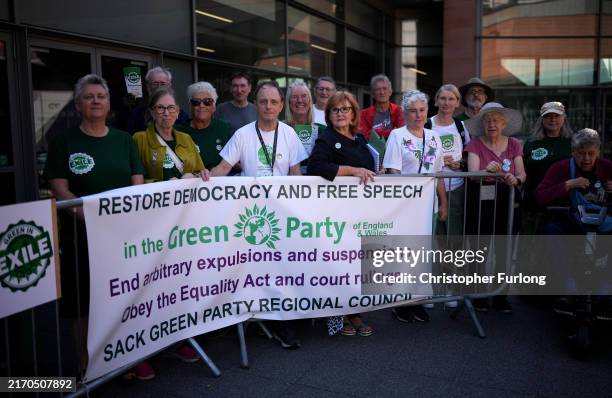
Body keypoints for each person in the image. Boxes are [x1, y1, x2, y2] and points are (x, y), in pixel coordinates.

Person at [44, 74, 145, 377]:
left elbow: (137, 184)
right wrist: (89, 218)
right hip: (80, 235)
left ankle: (119, 359)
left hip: (120, 237)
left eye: (101, 96)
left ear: (109, 103)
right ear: (77, 105)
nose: (96, 101)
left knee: (120, 298)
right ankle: (86, 365)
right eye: (89, 97)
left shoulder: (123, 140)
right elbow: (59, 188)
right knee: (83, 304)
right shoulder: (63, 141)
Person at [209, 81, 307, 348]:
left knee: (282, 268)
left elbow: (296, 175)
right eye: (263, 101)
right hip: (252, 216)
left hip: (283, 214)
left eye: (274, 102)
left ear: (281, 105)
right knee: (255, 268)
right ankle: (252, 315)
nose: (268, 107)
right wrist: (202, 179)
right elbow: (223, 167)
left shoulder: (289, 134)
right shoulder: (242, 134)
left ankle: (281, 321)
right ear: (256, 103)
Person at [307, 91, 376, 336]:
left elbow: (369, 166)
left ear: (354, 113)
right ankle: (340, 315)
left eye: (345, 109)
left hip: (359, 211)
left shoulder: (359, 138)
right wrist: (352, 170)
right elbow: (316, 166)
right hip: (335, 212)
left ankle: (355, 312)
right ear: (328, 114)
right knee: (338, 263)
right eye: (335, 109)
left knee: (356, 264)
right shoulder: (326, 138)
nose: (340, 113)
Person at [383, 89, 448, 323]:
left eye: (422, 110)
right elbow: (393, 171)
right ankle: (400, 303)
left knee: (422, 254)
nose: (418, 115)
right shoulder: (397, 136)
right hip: (406, 208)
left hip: (428, 207)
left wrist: (443, 202)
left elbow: (438, 173)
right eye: (413, 111)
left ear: (427, 111)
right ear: (404, 113)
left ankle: (417, 299)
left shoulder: (434, 137)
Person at [464, 102, 526, 313]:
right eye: (487, 120)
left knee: (504, 249)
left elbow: (522, 174)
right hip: (481, 199)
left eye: (496, 120)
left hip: (508, 200)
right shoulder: (474, 144)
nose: (492, 124)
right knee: (480, 249)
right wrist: (485, 171)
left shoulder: (514, 144)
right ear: (482, 123)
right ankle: (478, 296)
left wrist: (514, 179)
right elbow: (472, 174)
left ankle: (501, 297)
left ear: (503, 123)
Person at [133, 88, 205, 182]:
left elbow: (200, 171)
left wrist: (194, 176)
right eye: (160, 108)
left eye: (171, 107)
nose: (166, 113)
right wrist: (165, 185)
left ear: (177, 112)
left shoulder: (186, 138)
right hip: (158, 196)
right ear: (152, 112)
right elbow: (134, 180)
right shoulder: (139, 139)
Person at [427, 84, 470, 237]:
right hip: (430, 188)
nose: (447, 103)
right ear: (436, 101)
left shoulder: (461, 126)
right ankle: (436, 262)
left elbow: (467, 154)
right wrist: (437, 161)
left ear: (457, 102)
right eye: (443, 98)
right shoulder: (427, 125)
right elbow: (417, 156)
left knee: (455, 235)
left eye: (451, 99)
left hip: (456, 186)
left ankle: (452, 262)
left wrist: (461, 164)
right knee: (435, 235)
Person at [522, 102, 573, 233]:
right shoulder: (531, 143)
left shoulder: (573, 142)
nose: (553, 119)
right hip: (534, 203)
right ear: (541, 120)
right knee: (531, 245)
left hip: (565, 203)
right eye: (548, 116)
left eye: (556, 116)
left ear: (564, 118)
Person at [175, 81, 233, 169]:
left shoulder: (223, 128)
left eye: (207, 102)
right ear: (190, 105)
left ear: (214, 106)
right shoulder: (178, 132)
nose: (201, 105)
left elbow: (233, 160)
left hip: (218, 180)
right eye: (196, 102)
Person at [127, 66, 189, 133]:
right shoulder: (136, 114)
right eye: (155, 83)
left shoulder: (181, 115)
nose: (159, 87)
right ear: (148, 87)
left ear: (169, 86)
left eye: (163, 83)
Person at [286, 81, 326, 173]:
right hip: (287, 184)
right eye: (295, 97)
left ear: (310, 100)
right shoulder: (280, 130)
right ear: (289, 102)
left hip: (315, 184)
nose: (300, 100)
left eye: (304, 96)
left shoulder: (322, 130)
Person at [360, 74, 405, 140]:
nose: (382, 92)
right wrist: (392, 131)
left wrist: (374, 132)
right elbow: (364, 137)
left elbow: (401, 133)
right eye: (378, 89)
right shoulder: (364, 114)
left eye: (385, 88)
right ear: (372, 93)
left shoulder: (399, 111)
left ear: (390, 91)